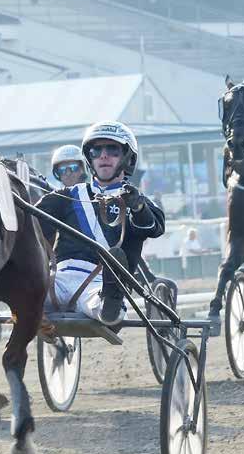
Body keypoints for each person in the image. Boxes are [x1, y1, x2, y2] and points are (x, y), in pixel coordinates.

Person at [37, 121, 165, 326]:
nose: (104, 155)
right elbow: (31, 222)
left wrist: (138, 207)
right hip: (58, 280)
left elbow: (155, 227)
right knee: (25, 293)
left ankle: (112, 304)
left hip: (100, 283)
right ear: (90, 158)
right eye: (97, 150)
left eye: (112, 149)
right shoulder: (66, 196)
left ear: (127, 158)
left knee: (100, 306)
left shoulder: (136, 201)